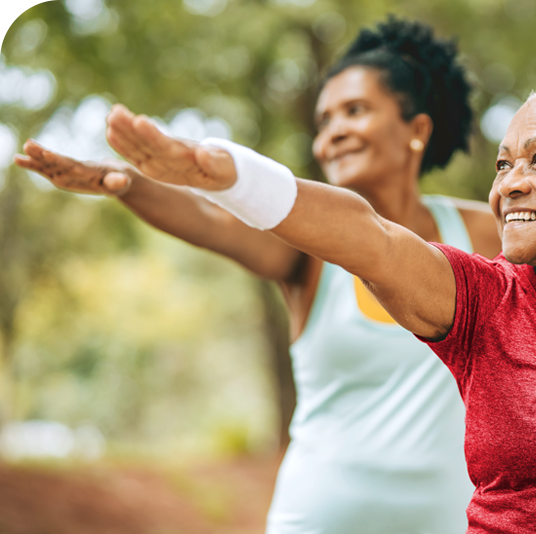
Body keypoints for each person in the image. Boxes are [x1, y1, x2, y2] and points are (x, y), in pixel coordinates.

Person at [82, 33, 536, 533]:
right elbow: (368, 235)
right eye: (503, 164)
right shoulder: (481, 302)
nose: (509, 184)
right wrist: (230, 176)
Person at [16, 18, 501, 534]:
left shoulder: (482, 234)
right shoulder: (309, 252)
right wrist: (130, 184)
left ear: (417, 130)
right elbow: (209, 221)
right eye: (324, 120)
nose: (332, 134)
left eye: (355, 110)